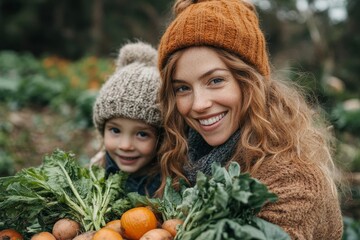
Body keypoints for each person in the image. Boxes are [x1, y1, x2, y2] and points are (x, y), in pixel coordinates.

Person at [156, 0, 343, 239]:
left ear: (250, 83)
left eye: (215, 81)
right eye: (182, 88)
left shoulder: (295, 184)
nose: (198, 104)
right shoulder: (183, 162)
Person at [91, 40, 162, 197]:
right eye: (115, 130)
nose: (125, 145)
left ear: (162, 138)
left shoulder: (169, 181)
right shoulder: (97, 170)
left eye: (142, 134)